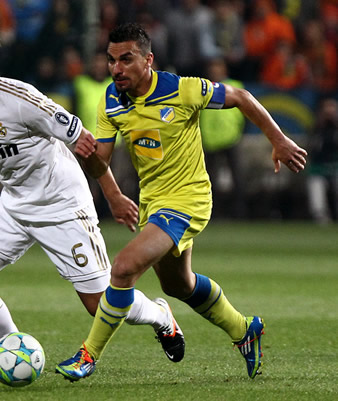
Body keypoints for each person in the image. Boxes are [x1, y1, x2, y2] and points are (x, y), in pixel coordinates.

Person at [0, 16, 184, 375]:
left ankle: (161, 316)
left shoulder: (20, 99)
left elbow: (85, 144)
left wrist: (111, 193)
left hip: (63, 201)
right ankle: (12, 350)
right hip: (15, 203)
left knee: (99, 304)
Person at [56, 23, 307, 381]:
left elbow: (241, 98)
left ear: (148, 60)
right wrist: (88, 155)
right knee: (177, 286)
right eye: (112, 60)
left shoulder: (182, 88)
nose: (117, 69)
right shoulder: (110, 100)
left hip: (188, 200)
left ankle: (88, 355)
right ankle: (244, 329)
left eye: (126, 59)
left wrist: (278, 140)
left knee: (124, 268)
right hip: (153, 204)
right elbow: (102, 162)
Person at [199, 58, 246, 218]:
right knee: (208, 180)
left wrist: (239, 131)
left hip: (230, 137)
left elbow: (244, 110)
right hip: (210, 140)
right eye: (213, 67)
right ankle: (213, 212)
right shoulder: (203, 87)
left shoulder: (235, 85)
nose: (215, 71)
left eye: (218, 67)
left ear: (224, 69)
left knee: (236, 177)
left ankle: (239, 213)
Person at [306, 97, 338, 224]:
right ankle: (320, 214)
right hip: (319, 167)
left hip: (335, 166)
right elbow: (313, 149)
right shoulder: (317, 129)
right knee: (315, 183)